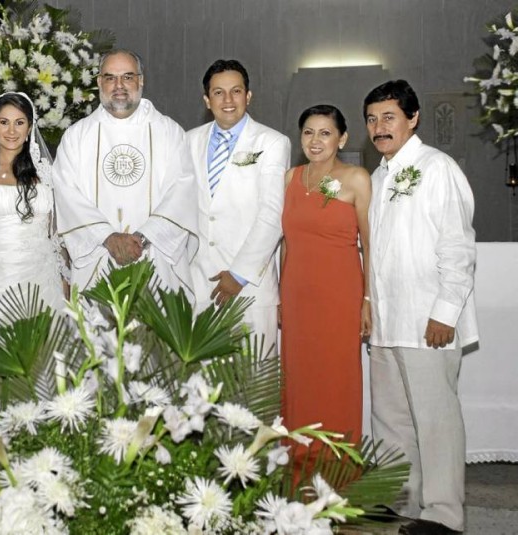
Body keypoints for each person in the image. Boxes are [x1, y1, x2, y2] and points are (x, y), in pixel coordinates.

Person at [364, 80, 477, 535]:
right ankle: (402, 502)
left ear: (413, 118)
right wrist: (369, 304)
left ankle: (444, 516)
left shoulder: (437, 168)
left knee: (436, 421)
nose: (379, 128)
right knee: (390, 418)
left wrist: (444, 312)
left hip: (428, 320)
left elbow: (457, 247)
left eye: (389, 117)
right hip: (388, 321)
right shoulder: (377, 176)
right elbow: (374, 251)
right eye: (372, 119)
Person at [53, 49, 199, 295]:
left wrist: (142, 238)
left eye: (128, 77)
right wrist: (108, 237)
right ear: (99, 82)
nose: (119, 86)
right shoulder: (77, 136)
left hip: (154, 256)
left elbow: (182, 191)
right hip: (98, 258)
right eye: (110, 78)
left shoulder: (169, 132)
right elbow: (67, 196)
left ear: (141, 80)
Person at [279, 104, 371, 445]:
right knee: (299, 379)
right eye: (308, 132)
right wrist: (279, 292)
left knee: (335, 377)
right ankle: (297, 463)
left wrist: (367, 299)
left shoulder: (356, 179)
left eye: (325, 133)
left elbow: (371, 245)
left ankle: (338, 467)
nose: (315, 141)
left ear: (342, 138)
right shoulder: (291, 178)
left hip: (338, 296)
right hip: (296, 296)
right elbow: (286, 242)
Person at [186, 59, 290, 355]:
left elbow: (272, 215)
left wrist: (239, 273)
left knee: (252, 388)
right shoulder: (188, 141)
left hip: (249, 288)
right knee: (201, 389)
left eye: (236, 91)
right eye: (218, 93)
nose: (228, 100)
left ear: (249, 96)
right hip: (200, 285)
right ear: (207, 100)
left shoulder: (272, 142)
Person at [0, 92, 66, 353]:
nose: (12, 130)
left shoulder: (47, 174)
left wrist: (65, 280)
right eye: (4, 122)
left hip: (41, 275)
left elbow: (56, 233)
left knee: (42, 353)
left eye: (19, 122)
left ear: (30, 128)